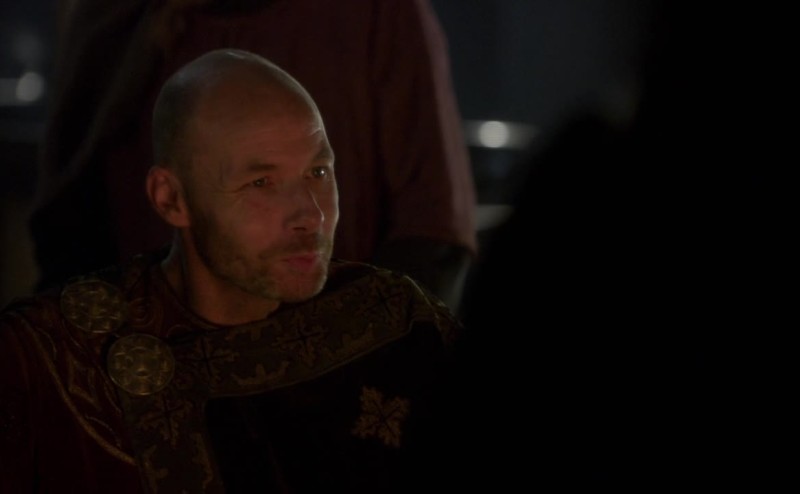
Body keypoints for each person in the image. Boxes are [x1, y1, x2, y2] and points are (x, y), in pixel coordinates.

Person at [0, 49, 463, 493]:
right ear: (171, 199)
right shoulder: (49, 361)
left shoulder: (396, 324)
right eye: (261, 182)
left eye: (319, 173)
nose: (311, 215)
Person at [30, 0, 477, 312]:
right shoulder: (118, 19)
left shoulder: (373, 13)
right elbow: (68, 229)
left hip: (335, 365)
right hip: (148, 364)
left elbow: (432, 227)